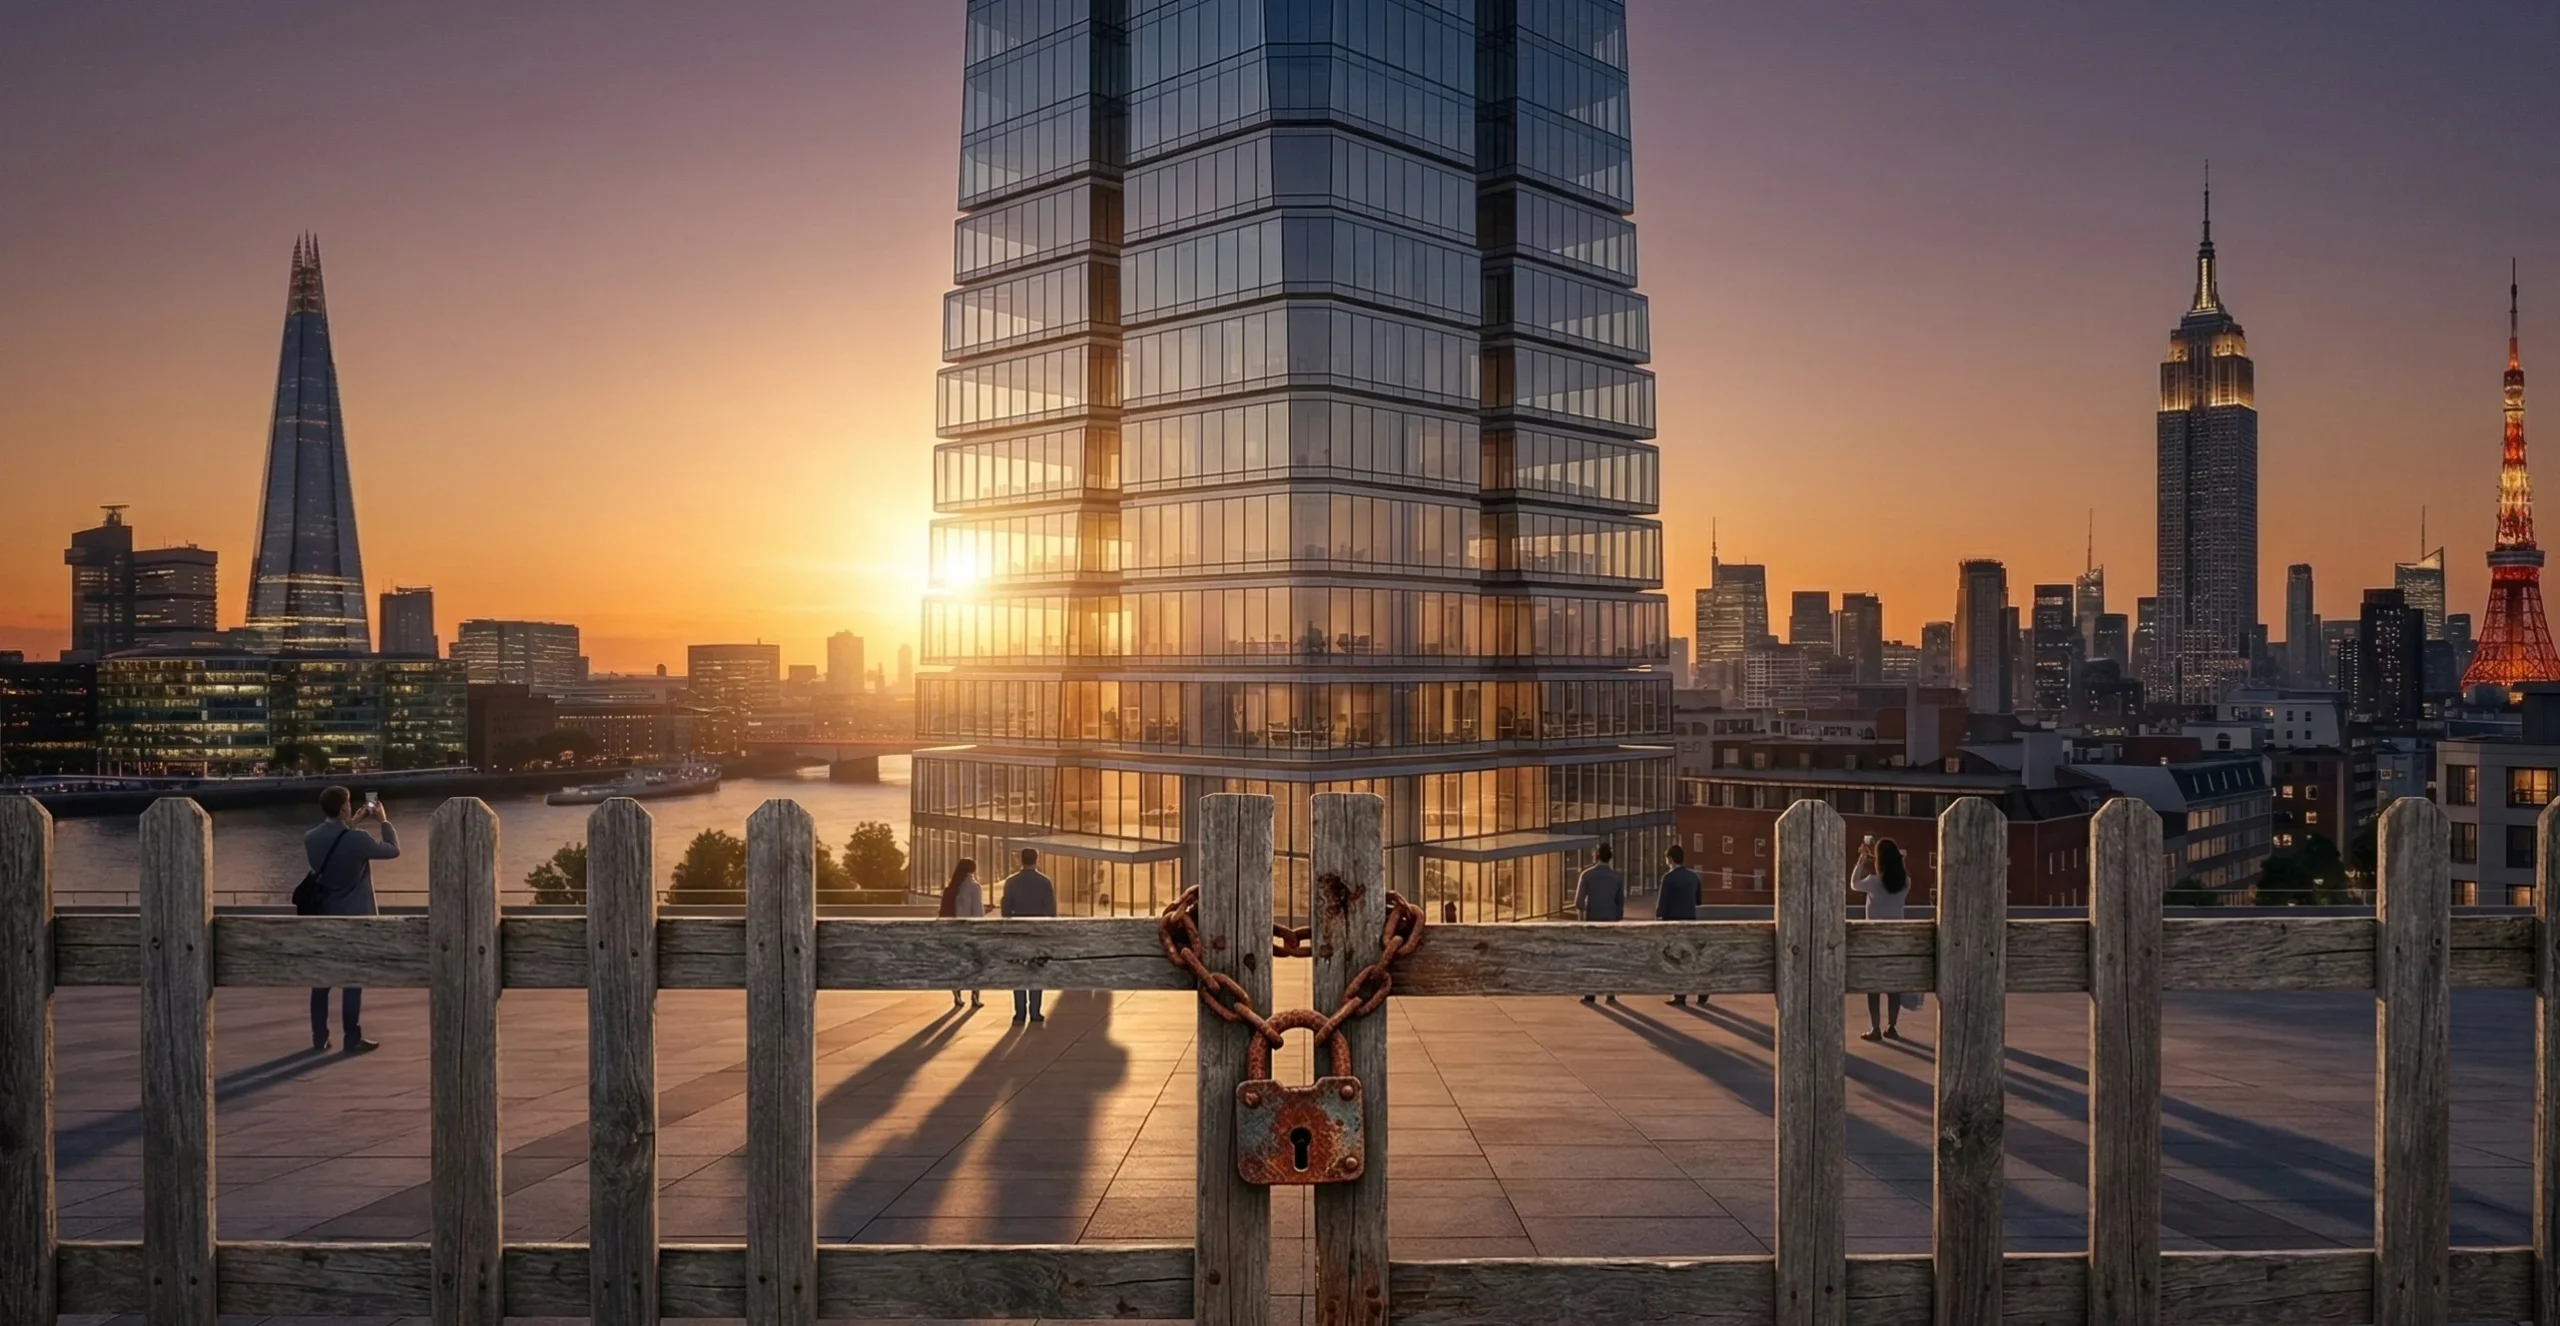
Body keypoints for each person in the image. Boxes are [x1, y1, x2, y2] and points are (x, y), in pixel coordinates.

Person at [302, 787, 397, 1053]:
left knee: (321, 980)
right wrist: (383, 820)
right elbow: (392, 850)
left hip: (323, 915)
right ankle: (351, 1036)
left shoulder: (310, 838)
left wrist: (352, 824)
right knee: (352, 980)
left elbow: (335, 849)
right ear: (344, 807)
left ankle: (319, 1036)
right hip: (355, 916)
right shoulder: (359, 840)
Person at [1852, 837, 1912, 1041]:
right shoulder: (1906, 882)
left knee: (1874, 987)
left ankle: (1875, 1028)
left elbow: (1853, 884)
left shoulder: (1873, 882)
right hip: (1897, 940)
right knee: (1893, 987)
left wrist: (1862, 860)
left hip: (1875, 940)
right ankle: (1892, 1026)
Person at [999, 846, 1056, 1023]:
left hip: (1018, 931)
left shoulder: (1011, 882)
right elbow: (1051, 911)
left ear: (1020, 860)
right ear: (1037, 860)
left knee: (1019, 971)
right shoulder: (1044, 882)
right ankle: (1035, 1012)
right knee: (1036, 971)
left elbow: (1005, 909)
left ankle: (1019, 1013)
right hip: (1037, 931)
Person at [1656, 844, 1708, 1006]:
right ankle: (1701, 988)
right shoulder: (1694, 877)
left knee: (1676, 959)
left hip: (1673, 922)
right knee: (1690, 957)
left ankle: (1679, 995)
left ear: (1670, 859)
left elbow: (1661, 907)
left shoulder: (1668, 878)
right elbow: (1698, 901)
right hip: (1690, 920)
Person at [1573, 843, 1624, 1005]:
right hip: (1611, 923)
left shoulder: (1587, 875)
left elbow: (1579, 903)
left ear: (1596, 856)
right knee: (1610, 958)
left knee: (1591, 958)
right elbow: (1620, 905)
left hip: (1592, 921)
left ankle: (1590, 993)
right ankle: (1610, 993)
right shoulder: (1617, 878)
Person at [940, 857, 984, 1009]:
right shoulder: (974, 886)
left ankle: (957, 996)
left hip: (953, 932)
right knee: (975, 965)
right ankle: (975, 996)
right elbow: (978, 911)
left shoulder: (951, 888)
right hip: (970, 931)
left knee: (957, 965)